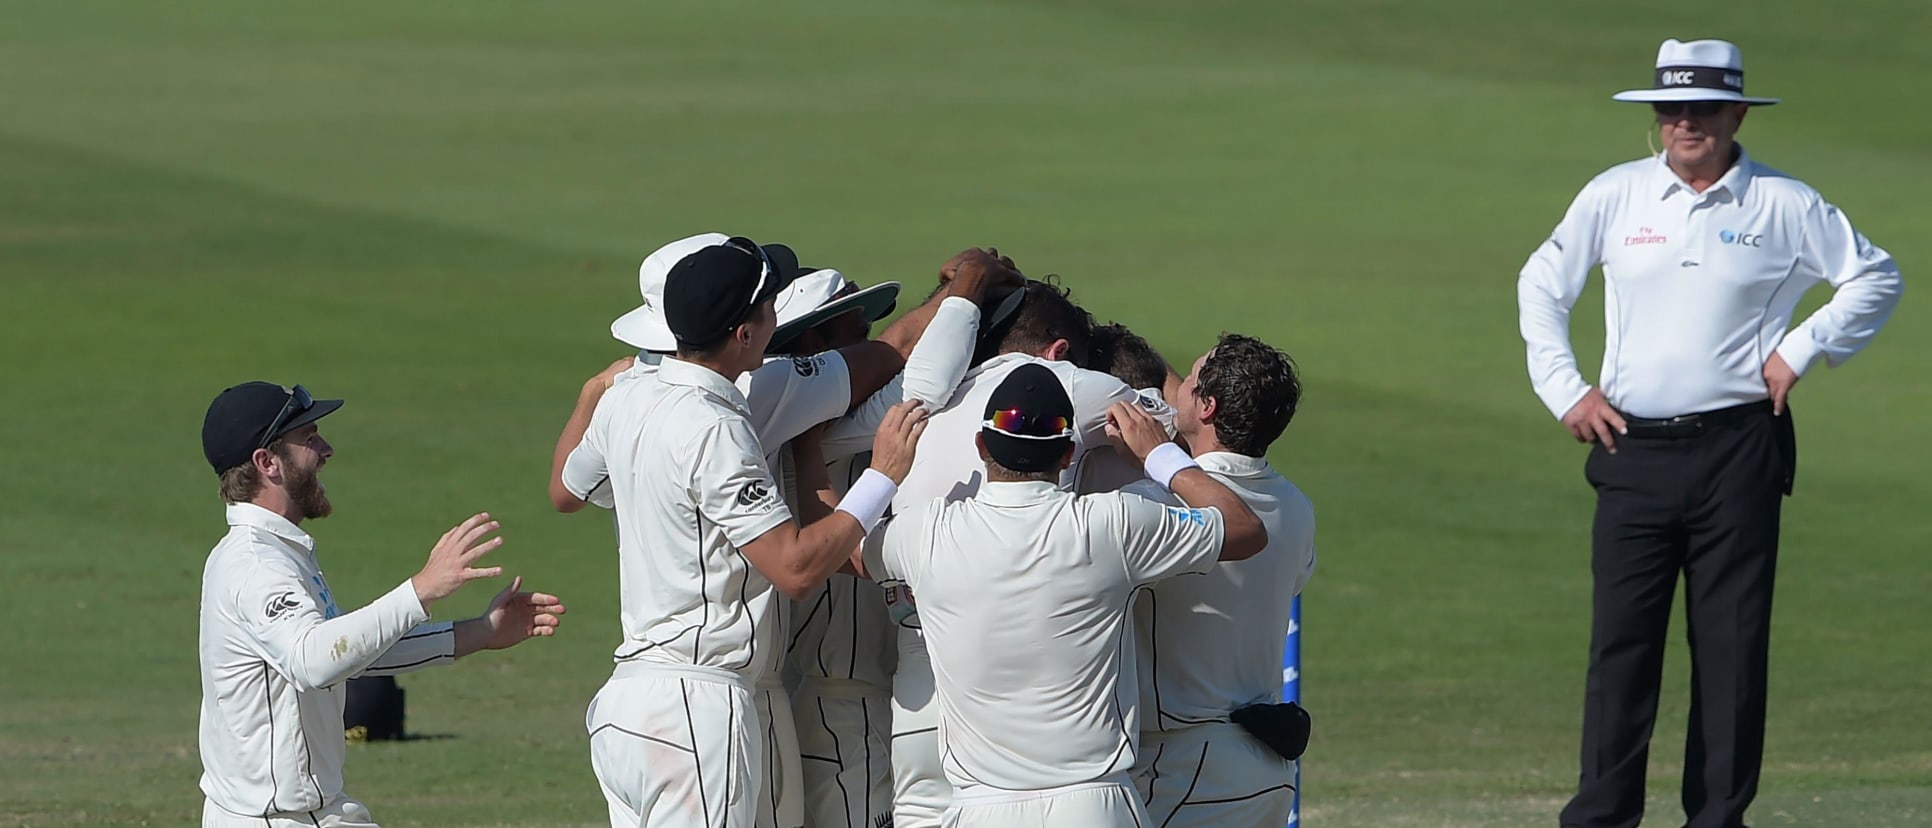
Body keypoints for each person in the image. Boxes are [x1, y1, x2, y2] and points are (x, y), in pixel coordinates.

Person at [1516, 38, 1903, 828]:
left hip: (1740, 450)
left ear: (1736, 114)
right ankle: (1600, 817)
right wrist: (1565, 389)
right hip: (1631, 450)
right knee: (1621, 649)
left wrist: (1800, 348)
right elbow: (1541, 285)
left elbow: (1875, 275)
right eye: (1670, 110)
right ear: (1656, 118)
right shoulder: (1615, 196)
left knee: (1730, 650)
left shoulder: (1785, 204)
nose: (1685, 123)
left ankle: (1718, 819)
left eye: (1702, 109)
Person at [564, 237, 929, 828]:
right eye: (769, 309)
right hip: (695, 709)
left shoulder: (624, 398)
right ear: (746, 332)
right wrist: (881, 479)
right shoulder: (714, 425)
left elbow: (565, 488)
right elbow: (795, 568)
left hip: (626, 704)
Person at [817, 279, 1173, 828]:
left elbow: (853, 553)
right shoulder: (1066, 384)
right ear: (1057, 354)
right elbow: (1168, 419)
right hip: (1017, 705)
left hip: (917, 685)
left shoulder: (925, 391)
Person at [850, 364, 1269, 827]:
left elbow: (845, 550)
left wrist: (878, 473)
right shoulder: (1113, 524)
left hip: (983, 809)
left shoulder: (924, 533)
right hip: (1095, 806)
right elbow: (1245, 528)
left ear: (981, 446)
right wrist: (1161, 456)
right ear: (1068, 455)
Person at [196, 382, 565, 828]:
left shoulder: (274, 552)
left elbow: (348, 653)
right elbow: (314, 661)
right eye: (309, 438)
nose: (326, 449)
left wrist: (480, 632)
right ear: (266, 462)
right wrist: (421, 589)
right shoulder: (257, 565)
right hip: (281, 819)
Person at [1125, 334, 1316, 827]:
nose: (1178, 389)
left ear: (1207, 407)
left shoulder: (1155, 503)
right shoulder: (1297, 505)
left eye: (1188, 381)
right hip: (1267, 768)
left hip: (1186, 770)